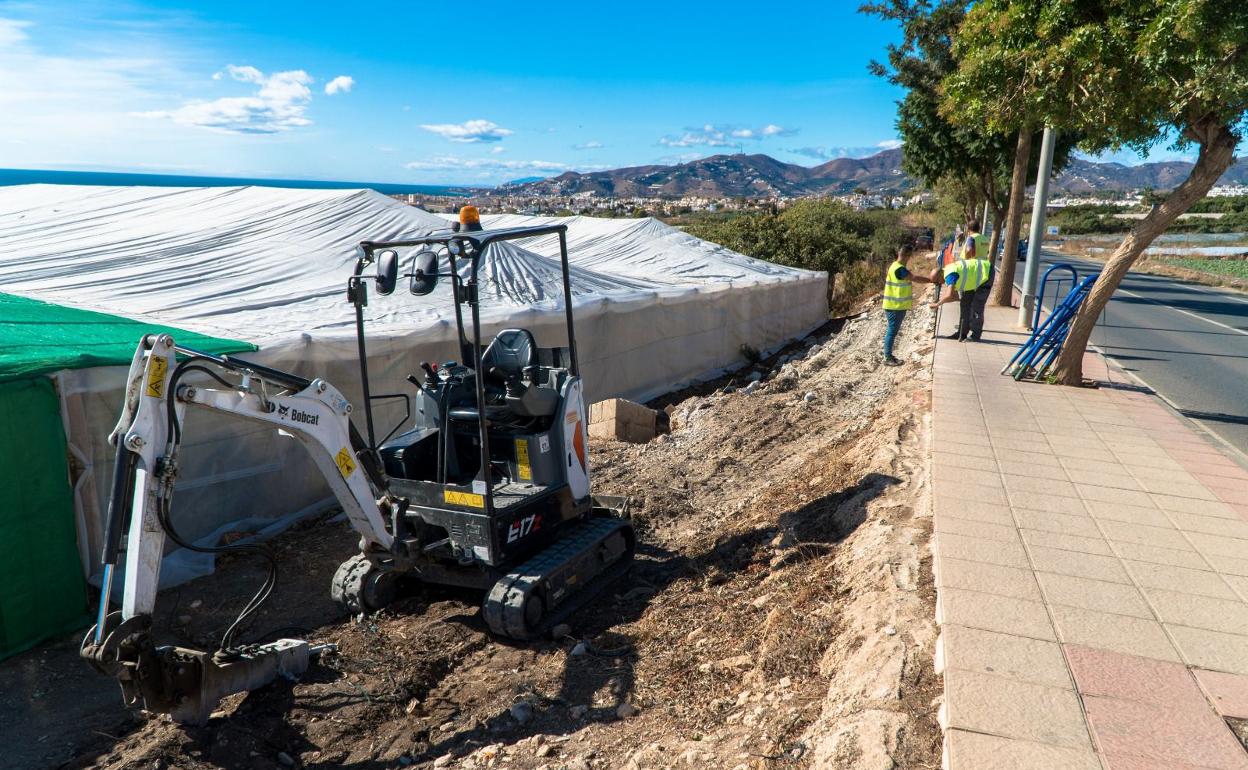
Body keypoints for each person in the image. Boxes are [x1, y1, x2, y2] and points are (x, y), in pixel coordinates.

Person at [932, 225, 993, 341]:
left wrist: (937, 304)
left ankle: (975, 336)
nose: (939, 284)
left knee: (977, 306)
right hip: (974, 274)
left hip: (984, 274)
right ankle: (962, 332)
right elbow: (954, 296)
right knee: (965, 303)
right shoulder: (984, 238)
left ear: (968, 229)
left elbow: (950, 294)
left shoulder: (971, 238)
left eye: (937, 282)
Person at [882, 243, 931, 366]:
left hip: (895, 305)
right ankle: (887, 357)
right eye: (910, 256)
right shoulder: (899, 269)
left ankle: (889, 355)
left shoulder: (894, 266)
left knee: (892, 330)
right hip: (894, 306)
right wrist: (931, 280)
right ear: (907, 256)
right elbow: (913, 278)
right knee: (892, 331)